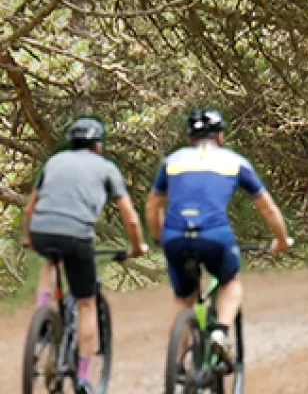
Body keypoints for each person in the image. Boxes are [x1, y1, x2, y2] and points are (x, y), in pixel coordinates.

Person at [145, 108, 291, 364]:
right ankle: (220, 333)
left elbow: (152, 206)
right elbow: (268, 208)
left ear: (190, 138)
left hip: (175, 237)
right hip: (214, 236)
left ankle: (176, 370)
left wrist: (160, 238)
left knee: (183, 301)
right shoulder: (236, 162)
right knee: (230, 283)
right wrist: (281, 240)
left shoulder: (173, 161)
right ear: (220, 137)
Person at [23, 117, 146, 394]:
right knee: (86, 303)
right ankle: (83, 378)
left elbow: (30, 209)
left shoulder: (54, 163)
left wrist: (30, 239)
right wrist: (137, 246)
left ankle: (43, 312)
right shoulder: (106, 168)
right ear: (98, 145)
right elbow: (131, 218)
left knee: (51, 262)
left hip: (42, 231)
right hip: (77, 236)